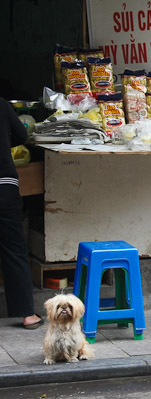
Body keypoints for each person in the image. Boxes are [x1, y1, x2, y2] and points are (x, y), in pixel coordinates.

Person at [0, 96, 43, 329]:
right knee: (14, 249)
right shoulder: (2, 104)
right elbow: (21, 135)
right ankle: (27, 314)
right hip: (4, 186)